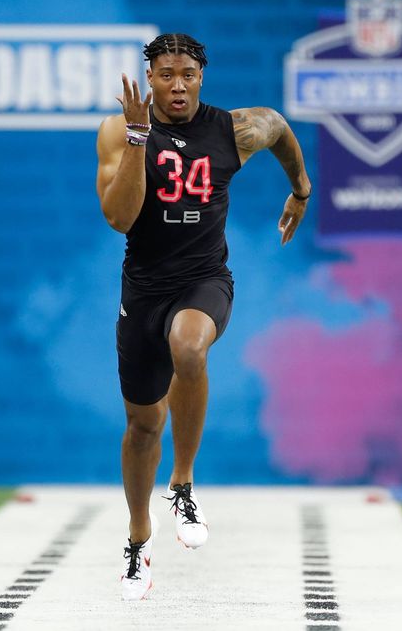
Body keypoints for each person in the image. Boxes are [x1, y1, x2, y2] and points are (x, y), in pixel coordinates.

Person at [95, 33, 312, 601]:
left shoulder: (232, 129)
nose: (177, 84)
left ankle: (183, 483)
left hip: (204, 281)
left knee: (189, 346)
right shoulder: (121, 130)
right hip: (142, 291)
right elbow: (119, 218)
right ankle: (140, 538)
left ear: (201, 75)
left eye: (187, 72)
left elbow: (281, 128)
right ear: (151, 78)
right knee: (143, 426)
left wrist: (301, 190)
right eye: (165, 74)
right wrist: (141, 139)